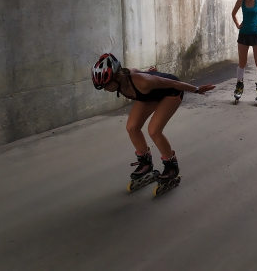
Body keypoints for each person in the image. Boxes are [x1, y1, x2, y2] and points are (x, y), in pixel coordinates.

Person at [91, 53, 216, 192]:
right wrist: (148, 72)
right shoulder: (126, 76)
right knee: (132, 127)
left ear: (117, 77)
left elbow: (173, 84)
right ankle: (146, 163)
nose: (105, 89)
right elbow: (136, 70)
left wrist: (197, 89)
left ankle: (171, 167)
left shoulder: (143, 82)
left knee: (154, 130)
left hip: (171, 92)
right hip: (150, 94)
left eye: (106, 85)